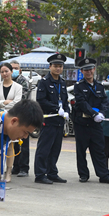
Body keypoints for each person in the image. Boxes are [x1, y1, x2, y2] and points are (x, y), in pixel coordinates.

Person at [73, 57, 109, 184]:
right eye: (86, 70)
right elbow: (81, 102)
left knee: (99, 150)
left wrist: (102, 113)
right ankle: (83, 174)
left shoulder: (100, 86)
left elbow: (105, 101)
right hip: (82, 123)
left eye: (90, 69)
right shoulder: (78, 86)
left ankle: (104, 175)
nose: (89, 72)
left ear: (94, 69)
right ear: (82, 71)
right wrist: (93, 114)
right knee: (81, 151)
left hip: (96, 124)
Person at [33, 53, 70, 184]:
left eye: (60, 66)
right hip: (48, 120)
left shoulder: (63, 83)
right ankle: (40, 174)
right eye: (55, 66)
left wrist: (66, 111)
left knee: (56, 148)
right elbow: (41, 100)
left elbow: (65, 100)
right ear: (50, 67)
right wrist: (56, 109)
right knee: (44, 148)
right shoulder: (44, 82)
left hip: (59, 121)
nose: (58, 68)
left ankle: (52, 172)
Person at [0, 62, 25, 183]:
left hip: (12, 119)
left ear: (11, 72)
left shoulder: (18, 87)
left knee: (10, 145)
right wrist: (5, 102)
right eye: (2, 71)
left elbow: (17, 103)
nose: (5, 74)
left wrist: (2, 102)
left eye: (7, 71)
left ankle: (8, 172)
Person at [9, 62, 31, 177]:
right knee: (14, 143)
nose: (14, 70)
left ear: (20, 70)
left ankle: (24, 168)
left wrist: (9, 101)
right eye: (12, 68)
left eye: (16, 68)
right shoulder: (8, 81)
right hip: (12, 115)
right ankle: (16, 166)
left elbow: (21, 99)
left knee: (24, 143)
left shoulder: (23, 81)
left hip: (24, 115)